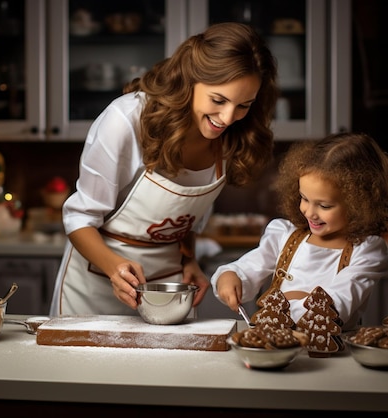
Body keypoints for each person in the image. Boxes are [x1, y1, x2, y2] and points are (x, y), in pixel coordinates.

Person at [50, 22, 279, 317]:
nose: (227, 117)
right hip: (94, 288)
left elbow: (182, 221)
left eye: (243, 105)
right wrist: (113, 267)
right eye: (218, 100)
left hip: (169, 291)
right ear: (190, 80)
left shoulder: (234, 138)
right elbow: (79, 218)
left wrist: (188, 260)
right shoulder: (126, 120)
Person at [211, 132, 388, 330]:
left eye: (324, 206)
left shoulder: (365, 251)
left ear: (360, 204)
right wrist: (231, 275)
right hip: (278, 348)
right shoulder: (285, 236)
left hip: (330, 355)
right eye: (304, 198)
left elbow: (335, 306)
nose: (309, 212)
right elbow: (250, 267)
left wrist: (282, 305)